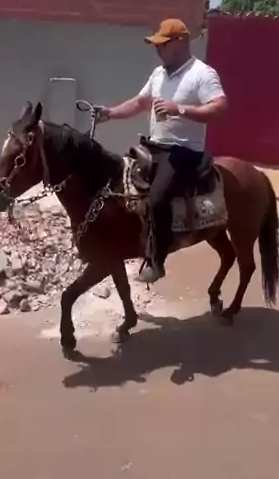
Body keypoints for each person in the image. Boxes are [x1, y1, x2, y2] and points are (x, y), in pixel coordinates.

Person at [97, 18, 228, 283]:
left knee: (156, 200)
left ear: (180, 42)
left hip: (184, 151)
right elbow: (139, 103)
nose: (157, 49)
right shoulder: (158, 74)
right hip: (154, 145)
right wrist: (110, 113)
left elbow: (220, 107)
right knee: (120, 182)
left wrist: (179, 109)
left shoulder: (202, 74)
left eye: (162, 44)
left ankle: (156, 261)